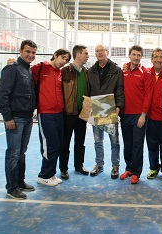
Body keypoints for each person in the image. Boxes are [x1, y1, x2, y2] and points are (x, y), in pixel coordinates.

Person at [0, 40, 37, 199]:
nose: (31, 55)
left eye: (33, 52)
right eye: (28, 51)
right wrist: (8, 117)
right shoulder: (11, 69)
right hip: (15, 119)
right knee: (13, 153)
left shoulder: (27, 70)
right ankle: (11, 187)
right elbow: (1, 96)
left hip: (27, 118)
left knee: (21, 152)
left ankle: (20, 182)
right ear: (20, 51)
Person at [31, 48, 71, 186]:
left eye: (66, 60)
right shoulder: (40, 68)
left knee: (58, 145)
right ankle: (44, 175)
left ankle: (51, 174)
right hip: (45, 113)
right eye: (63, 58)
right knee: (50, 146)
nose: (64, 62)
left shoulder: (60, 72)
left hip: (58, 113)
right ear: (55, 55)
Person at [87, 44, 124, 179]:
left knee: (114, 140)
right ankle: (99, 165)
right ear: (95, 54)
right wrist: (89, 108)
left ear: (107, 52)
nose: (99, 53)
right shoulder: (90, 71)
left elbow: (120, 89)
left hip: (110, 107)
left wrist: (118, 107)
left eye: (102, 50)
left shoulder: (116, 70)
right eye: (97, 51)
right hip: (96, 107)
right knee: (98, 140)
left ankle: (115, 166)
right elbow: (89, 90)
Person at [119, 45, 153, 184]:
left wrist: (143, 114)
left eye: (139, 55)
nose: (136, 57)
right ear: (129, 55)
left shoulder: (145, 73)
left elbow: (148, 95)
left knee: (137, 144)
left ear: (141, 57)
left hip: (139, 116)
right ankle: (129, 168)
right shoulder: (122, 71)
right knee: (127, 143)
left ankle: (136, 172)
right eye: (134, 54)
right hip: (125, 114)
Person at [59, 45, 90, 180]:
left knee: (80, 141)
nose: (87, 56)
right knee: (65, 142)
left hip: (82, 112)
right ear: (78, 55)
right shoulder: (64, 71)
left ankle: (79, 165)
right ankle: (63, 168)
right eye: (85, 53)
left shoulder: (86, 72)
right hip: (68, 113)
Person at [145, 48, 162, 180]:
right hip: (150, 118)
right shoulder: (146, 73)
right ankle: (154, 168)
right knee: (152, 145)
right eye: (156, 57)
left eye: (161, 57)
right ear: (151, 59)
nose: (158, 59)